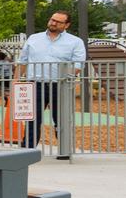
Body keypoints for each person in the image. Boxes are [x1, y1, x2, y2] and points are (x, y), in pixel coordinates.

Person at [15, 9, 85, 154]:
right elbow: (23, 61)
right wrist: (15, 82)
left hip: (60, 85)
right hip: (36, 84)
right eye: (52, 19)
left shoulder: (75, 42)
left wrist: (65, 78)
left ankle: (65, 151)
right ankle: (27, 150)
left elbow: (78, 64)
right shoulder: (34, 38)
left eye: (58, 21)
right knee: (32, 119)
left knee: (61, 120)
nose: (53, 23)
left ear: (66, 25)